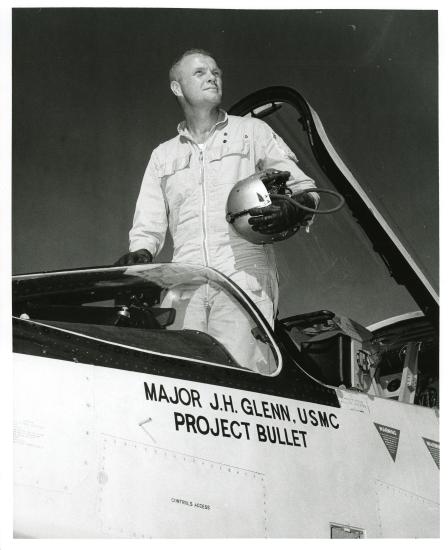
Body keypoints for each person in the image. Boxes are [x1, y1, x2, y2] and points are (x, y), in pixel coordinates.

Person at [116, 49, 318, 372]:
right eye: (200, 73)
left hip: (243, 280)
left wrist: (296, 208)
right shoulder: (162, 156)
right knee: (183, 381)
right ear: (177, 88)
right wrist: (139, 256)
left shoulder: (252, 133)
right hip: (185, 285)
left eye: (216, 72)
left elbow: (304, 188)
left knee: (239, 381)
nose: (212, 76)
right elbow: (147, 225)